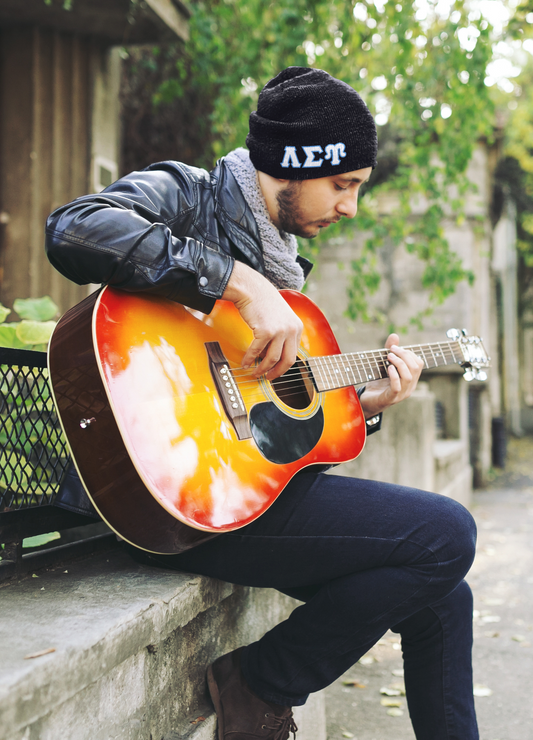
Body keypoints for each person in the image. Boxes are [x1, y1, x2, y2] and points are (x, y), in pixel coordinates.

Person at [45, 67, 478, 740]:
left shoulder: (287, 265)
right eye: (342, 185)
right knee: (448, 533)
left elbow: (268, 438)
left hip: (238, 493)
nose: (350, 208)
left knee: (446, 598)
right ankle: (260, 680)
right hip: (165, 492)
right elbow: (74, 228)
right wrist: (234, 281)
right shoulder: (192, 195)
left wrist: (364, 404)